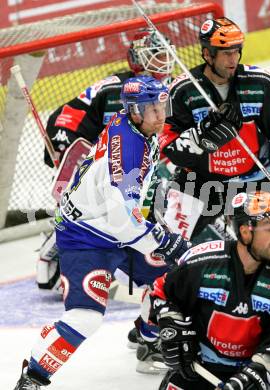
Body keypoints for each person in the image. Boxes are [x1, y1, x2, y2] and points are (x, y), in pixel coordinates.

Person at [159, 16, 270, 328]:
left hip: (255, 179)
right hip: (203, 182)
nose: (233, 58)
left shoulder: (261, 83)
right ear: (207, 54)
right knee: (168, 245)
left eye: (236, 51)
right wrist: (199, 138)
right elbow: (165, 144)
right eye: (225, 52)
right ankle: (161, 318)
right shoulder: (183, 91)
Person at [13, 75, 190, 390]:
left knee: (174, 277)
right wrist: (164, 240)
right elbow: (123, 217)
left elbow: (127, 214)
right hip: (87, 237)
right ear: (135, 112)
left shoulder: (132, 123)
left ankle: (148, 341)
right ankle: (33, 377)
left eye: (162, 105)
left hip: (115, 227)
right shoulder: (127, 154)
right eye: (152, 109)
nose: (161, 115)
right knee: (85, 318)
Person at [149, 191, 270, 390]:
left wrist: (254, 373)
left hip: (258, 373)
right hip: (198, 366)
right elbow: (161, 292)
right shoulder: (200, 263)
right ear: (245, 232)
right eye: (268, 229)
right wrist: (169, 323)